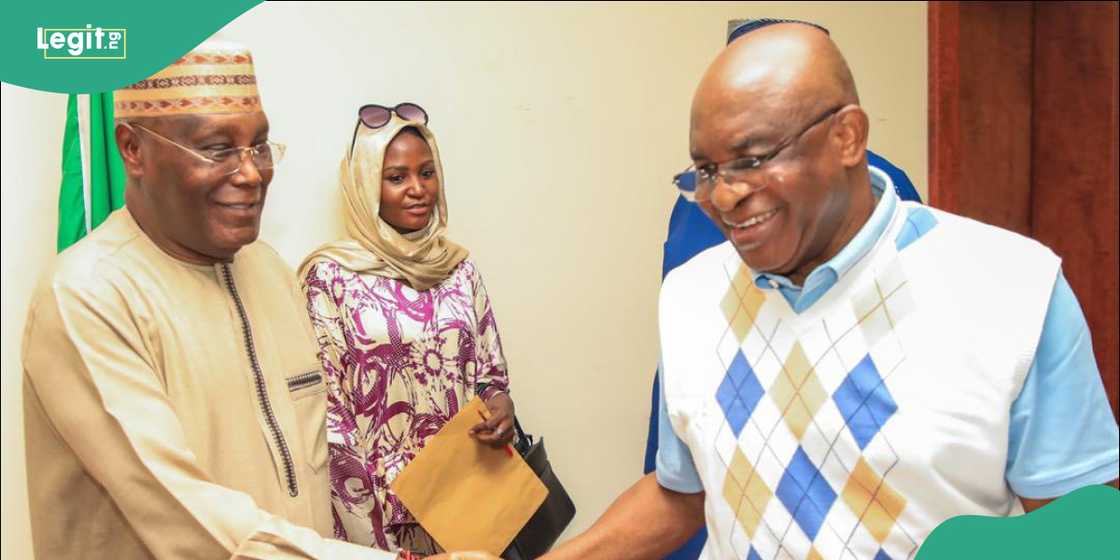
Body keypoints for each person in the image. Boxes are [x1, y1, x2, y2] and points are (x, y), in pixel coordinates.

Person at [544, 22, 1119, 560]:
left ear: (847, 136)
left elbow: (1080, 533)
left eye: (751, 159)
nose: (723, 196)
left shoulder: (1012, 288)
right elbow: (684, 491)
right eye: (707, 170)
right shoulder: (689, 297)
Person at [20, 38, 409, 559]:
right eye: (217, 148)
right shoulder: (87, 295)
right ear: (132, 149)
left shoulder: (270, 271)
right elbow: (184, 514)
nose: (251, 173)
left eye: (259, 146)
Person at [298, 104, 515, 556]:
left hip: (465, 498)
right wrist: (369, 536)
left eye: (427, 173)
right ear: (364, 184)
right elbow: (329, 416)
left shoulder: (458, 267)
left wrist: (500, 405)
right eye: (396, 177)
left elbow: (490, 374)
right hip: (377, 510)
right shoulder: (331, 277)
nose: (417, 189)